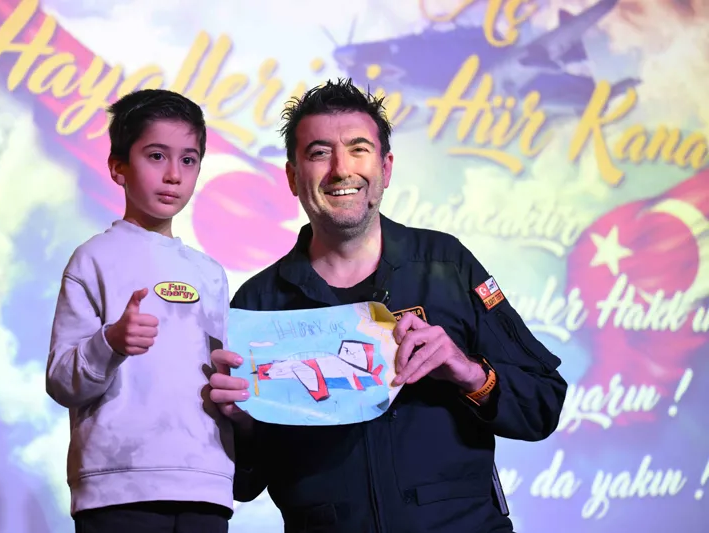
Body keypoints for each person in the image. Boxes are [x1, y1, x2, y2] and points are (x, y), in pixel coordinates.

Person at [208, 78, 568, 532]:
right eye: (319, 153)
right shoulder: (258, 306)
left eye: (358, 149)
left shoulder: (447, 265)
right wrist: (240, 424)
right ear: (293, 177)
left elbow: (542, 405)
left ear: (386, 167)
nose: (341, 169)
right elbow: (243, 483)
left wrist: (468, 372)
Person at [46, 89, 235, 533]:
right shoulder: (92, 259)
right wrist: (110, 342)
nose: (173, 175)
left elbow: (220, 380)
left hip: (204, 485)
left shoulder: (210, 273)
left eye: (188, 160)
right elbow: (60, 380)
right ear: (118, 167)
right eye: (156, 156)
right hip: (117, 485)